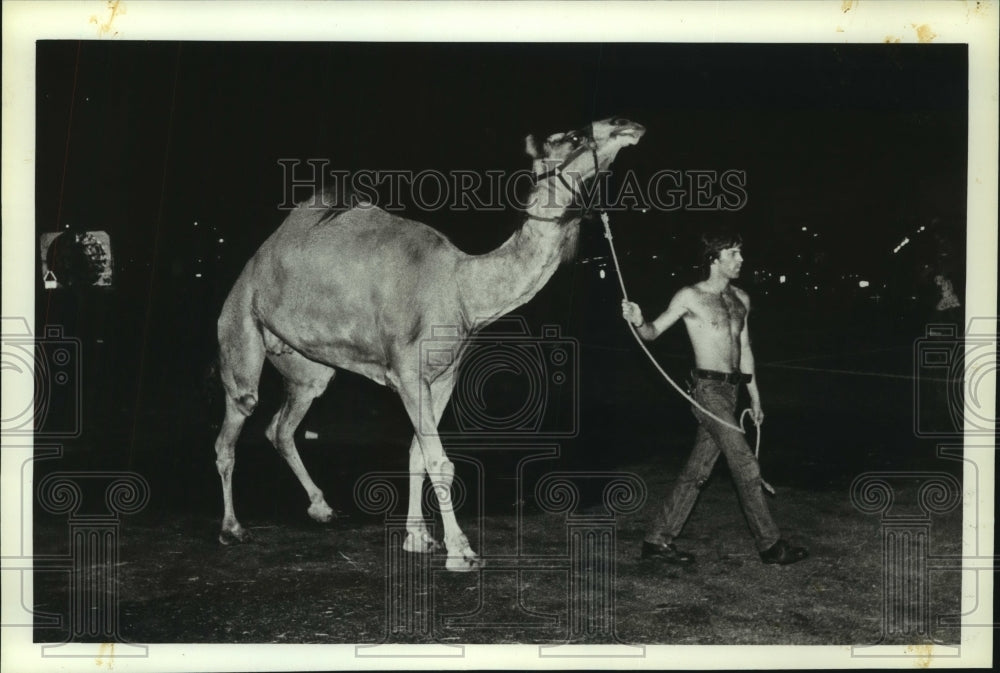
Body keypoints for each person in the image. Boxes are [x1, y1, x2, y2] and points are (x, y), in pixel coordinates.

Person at [621, 228, 808, 566]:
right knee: (745, 463)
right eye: (734, 253)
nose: (741, 259)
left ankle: (656, 542)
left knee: (698, 470)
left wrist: (755, 397)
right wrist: (637, 320)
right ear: (715, 258)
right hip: (706, 391)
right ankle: (770, 545)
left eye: (740, 252)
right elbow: (653, 332)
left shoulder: (741, 299)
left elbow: (746, 349)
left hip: (733, 391)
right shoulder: (690, 296)